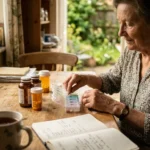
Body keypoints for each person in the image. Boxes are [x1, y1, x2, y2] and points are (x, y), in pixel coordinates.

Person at [63, 0, 150, 148]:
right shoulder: (132, 54)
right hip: (119, 138)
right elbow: (112, 79)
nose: (120, 32)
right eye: (119, 23)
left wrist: (114, 106)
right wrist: (85, 78)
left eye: (129, 24)